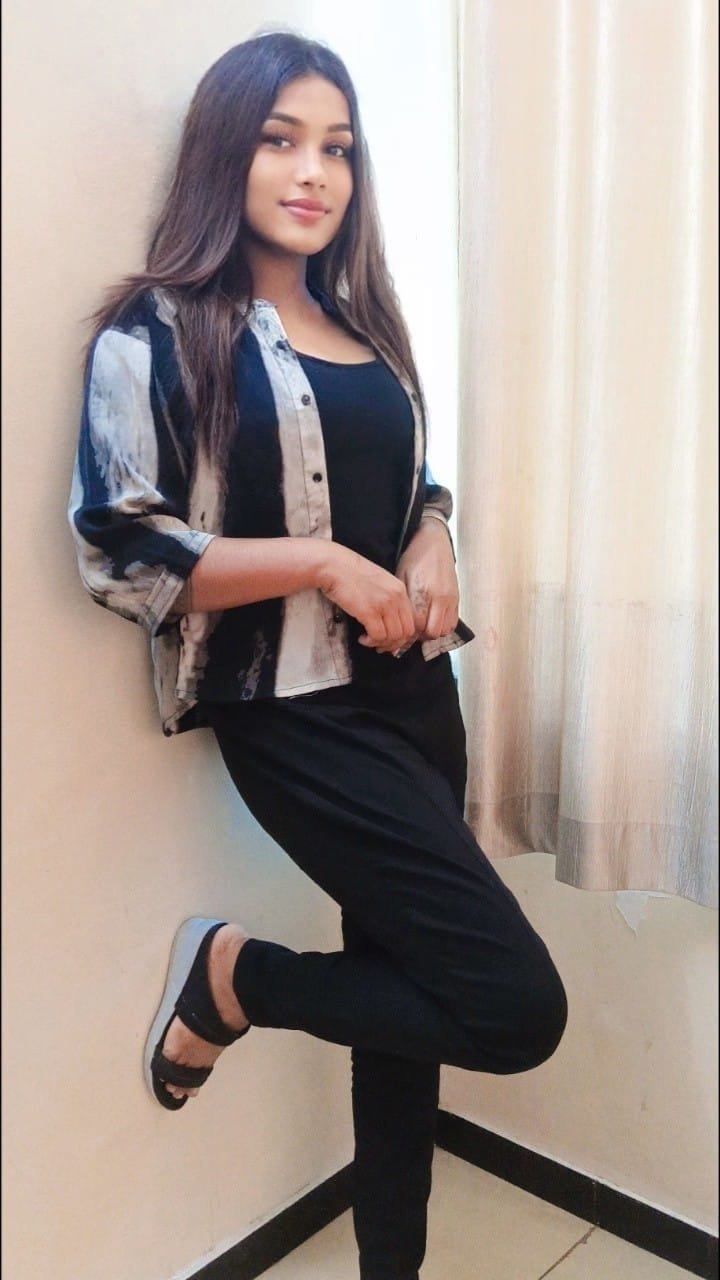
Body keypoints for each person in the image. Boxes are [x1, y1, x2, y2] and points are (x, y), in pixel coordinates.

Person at [68, 30, 568, 1280]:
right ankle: (238, 977)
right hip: (295, 715)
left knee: (408, 1003)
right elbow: (121, 547)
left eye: (337, 147)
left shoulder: (368, 326)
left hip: (417, 697)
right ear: (222, 152)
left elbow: (408, 480)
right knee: (515, 1005)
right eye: (281, 139)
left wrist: (433, 531)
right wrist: (320, 564)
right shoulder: (154, 330)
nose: (315, 171)